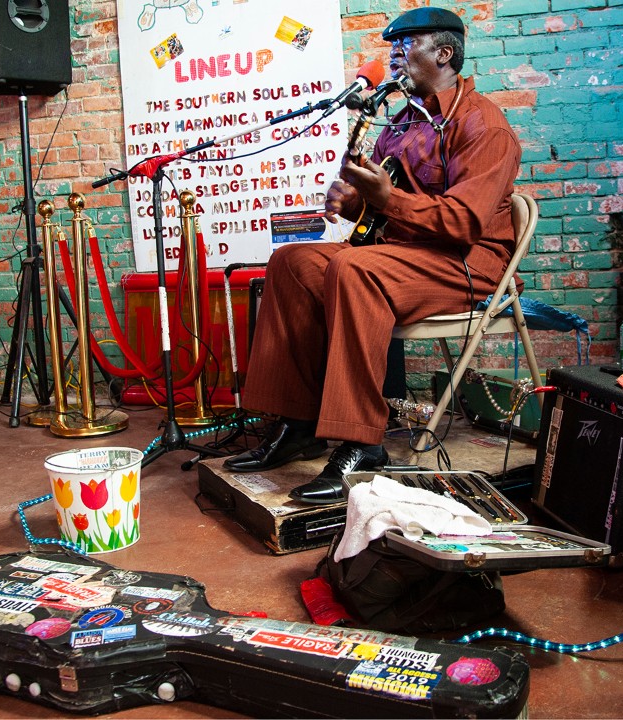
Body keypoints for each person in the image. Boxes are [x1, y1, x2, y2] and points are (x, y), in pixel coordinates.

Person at [223, 7, 523, 504]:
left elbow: (465, 224)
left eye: (407, 45)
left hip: (469, 263)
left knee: (352, 267)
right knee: (292, 263)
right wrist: (357, 202)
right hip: (406, 253)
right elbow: (385, 205)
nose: (395, 56)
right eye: (392, 47)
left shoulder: (483, 124)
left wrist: (385, 200)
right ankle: (300, 423)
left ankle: (363, 443)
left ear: (444, 54)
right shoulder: (402, 123)